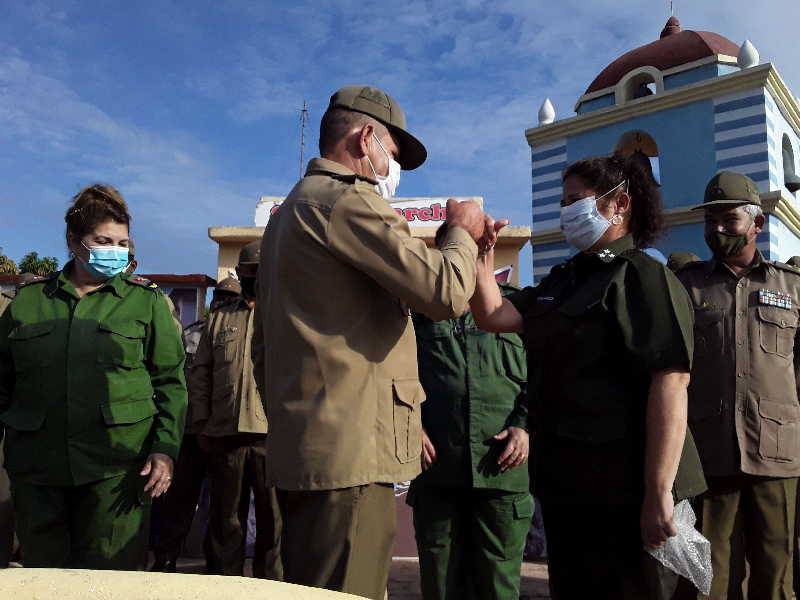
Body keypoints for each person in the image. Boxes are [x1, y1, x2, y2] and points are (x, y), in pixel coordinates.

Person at [254, 84, 488, 600]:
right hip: (350, 457)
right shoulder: (346, 201)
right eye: (393, 154)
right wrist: (462, 231)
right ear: (366, 139)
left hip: (314, 448)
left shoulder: (290, 213)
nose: (392, 169)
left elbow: (261, 347)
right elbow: (445, 291)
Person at [470, 154, 706, 599]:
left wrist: (658, 491)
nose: (565, 210)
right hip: (573, 488)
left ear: (619, 205)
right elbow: (493, 315)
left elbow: (671, 382)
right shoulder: (566, 278)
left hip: (629, 490)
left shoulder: (640, 275)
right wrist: (483, 256)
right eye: (562, 201)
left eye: (576, 199)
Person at [0, 184, 187, 569]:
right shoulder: (29, 303)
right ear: (74, 241)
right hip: (38, 470)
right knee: (43, 579)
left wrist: (164, 450)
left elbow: (170, 383)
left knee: (110, 579)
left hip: (116, 471)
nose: (115, 251)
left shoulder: (145, 301)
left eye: (122, 243)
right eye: (104, 241)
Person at [675, 172, 800, 600]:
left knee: (776, 573)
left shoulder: (791, 287)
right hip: (710, 455)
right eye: (711, 222)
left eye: (728, 220)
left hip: (778, 456)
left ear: (757, 224)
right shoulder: (687, 287)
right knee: (708, 576)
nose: (717, 230)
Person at [408, 227, 533, 599]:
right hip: (437, 473)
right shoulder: (417, 317)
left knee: (499, 587)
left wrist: (525, 427)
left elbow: (546, 376)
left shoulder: (516, 309)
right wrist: (410, 425)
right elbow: (389, 378)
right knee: (440, 584)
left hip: (502, 474)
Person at [189, 240, 281, 579]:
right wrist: (200, 421)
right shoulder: (220, 318)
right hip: (224, 434)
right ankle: (225, 585)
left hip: (272, 438)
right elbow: (201, 372)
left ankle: (272, 587)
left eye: (259, 271)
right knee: (225, 520)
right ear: (239, 274)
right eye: (248, 272)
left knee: (274, 522)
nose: (253, 277)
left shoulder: (284, 314)